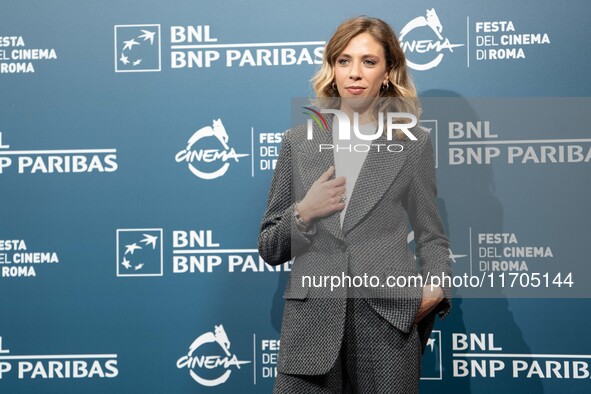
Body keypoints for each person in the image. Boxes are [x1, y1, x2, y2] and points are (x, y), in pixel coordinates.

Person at [258, 16, 451, 394]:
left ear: (388, 72)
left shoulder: (412, 144)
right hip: (311, 330)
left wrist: (434, 290)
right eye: (344, 60)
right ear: (331, 69)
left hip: (386, 328)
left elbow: (433, 237)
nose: (355, 73)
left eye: (368, 61)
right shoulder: (299, 142)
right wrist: (305, 213)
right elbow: (269, 246)